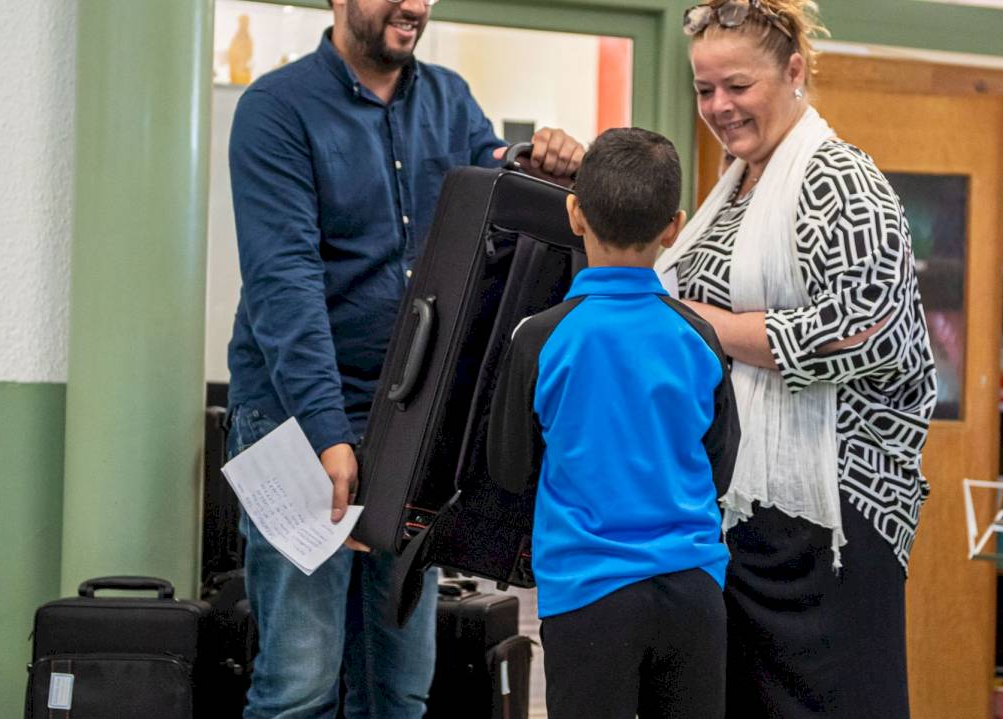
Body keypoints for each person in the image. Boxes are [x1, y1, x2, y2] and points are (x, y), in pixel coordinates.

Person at [224, 0, 583, 716]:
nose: (415, 5)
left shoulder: (451, 101)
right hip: (297, 423)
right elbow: (283, 283)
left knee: (400, 688)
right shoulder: (276, 109)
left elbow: (493, 198)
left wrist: (541, 162)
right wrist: (328, 430)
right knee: (299, 686)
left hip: (407, 422)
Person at [655, 1, 937, 716]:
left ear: (794, 71)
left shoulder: (839, 178)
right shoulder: (737, 185)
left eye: (738, 86)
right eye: (704, 88)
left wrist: (708, 326)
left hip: (833, 515)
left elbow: (861, 328)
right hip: (748, 511)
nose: (719, 106)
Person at [486, 127, 741, 719]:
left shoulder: (541, 339)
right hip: (693, 595)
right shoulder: (699, 338)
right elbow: (719, 467)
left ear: (574, 213)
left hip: (587, 595)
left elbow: (509, 468)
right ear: (673, 227)